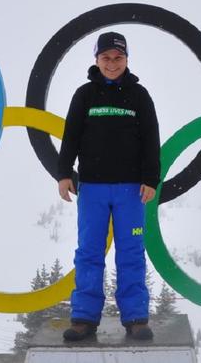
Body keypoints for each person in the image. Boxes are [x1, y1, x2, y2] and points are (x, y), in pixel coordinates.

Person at [57, 31, 161, 341]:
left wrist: (150, 179)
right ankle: (84, 318)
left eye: (118, 58)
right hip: (92, 189)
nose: (112, 64)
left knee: (131, 251)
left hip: (131, 190)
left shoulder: (139, 96)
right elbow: (71, 136)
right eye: (106, 58)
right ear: (97, 60)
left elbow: (151, 140)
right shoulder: (84, 95)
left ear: (127, 59)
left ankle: (135, 317)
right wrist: (64, 173)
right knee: (89, 251)